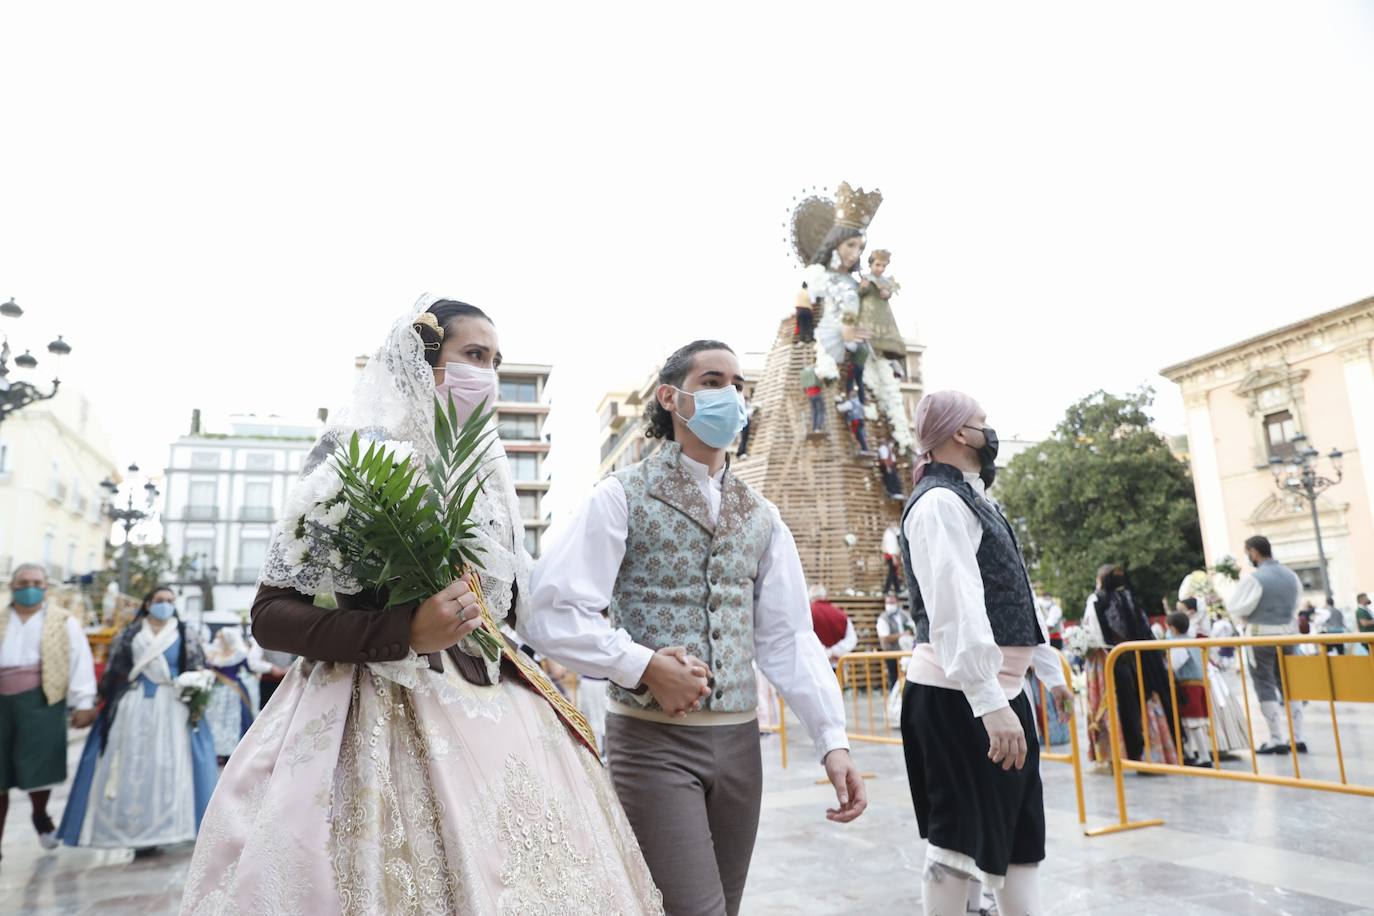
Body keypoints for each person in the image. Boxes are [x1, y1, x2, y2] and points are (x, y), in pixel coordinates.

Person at [178, 297, 662, 914]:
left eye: (496, 360)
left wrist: (627, 658)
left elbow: (514, 608)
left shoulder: (490, 475)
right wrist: (403, 629)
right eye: (474, 355)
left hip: (498, 708)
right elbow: (272, 613)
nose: (487, 373)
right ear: (425, 361)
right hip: (371, 710)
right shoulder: (350, 459)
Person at [525, 338, 866, 916]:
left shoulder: (763, 515)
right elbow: (551, 611)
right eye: (712, 381)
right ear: (671, 398)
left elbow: (786, 638)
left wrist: (832, 739)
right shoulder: (621, 496)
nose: (730, 395)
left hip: (740, 746)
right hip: (652, 744)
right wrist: (641, 664)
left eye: (738, 385)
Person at [898, 390, 1071, 916]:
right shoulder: (939, 503)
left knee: (1019, 833)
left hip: (997, 690)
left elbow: (1013, 593)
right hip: (959, 696)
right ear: (957, 433)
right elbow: (955, 607)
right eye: (982, 423)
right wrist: (989, 701)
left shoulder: (973, 498)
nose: (988, 433)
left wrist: (1049, 670)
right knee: (957, 839)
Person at [58, 586, 218, 852]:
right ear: (147, 604)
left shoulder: (183, 633)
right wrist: (98, 702)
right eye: (159, 600)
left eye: (169, 601)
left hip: (172, 706)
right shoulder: (130, 634)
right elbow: (115, 671)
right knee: (131, 763)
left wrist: (195, 690)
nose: (165, 605)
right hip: (132, 706)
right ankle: (130, 829)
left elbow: (197, 667)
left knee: (167, 762)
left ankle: (171, 826)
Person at [0, 564, 98, 858]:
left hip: (43, 701)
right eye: (23, 582)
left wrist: (84, 702)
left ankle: (40, 816)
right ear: (12, 586)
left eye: (36, 582)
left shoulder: (62, 621)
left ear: (46, 587)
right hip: (1, 703)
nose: (30, 587)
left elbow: (80, 660)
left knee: (40, 768)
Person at [1082, 565, 1179, 767]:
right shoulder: (1131, 599)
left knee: (1122, 706)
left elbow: (1096, 633)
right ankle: (1154, 752)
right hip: (1142, 661)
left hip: (1114, 659)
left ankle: (1125, 754)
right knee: (1145, 701)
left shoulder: (1098, 600)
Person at [1228, 535, 1307, 755]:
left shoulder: (1255, 579)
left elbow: (1237, 608)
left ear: (1254, 552)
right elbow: (1295, 606)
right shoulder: (1291, 576)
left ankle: (1276, 737)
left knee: (1264, 683)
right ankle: (1298, 737)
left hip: (1261, 635)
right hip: (1287, 635)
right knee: (1290, 685)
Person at [203, 625, 273, 761]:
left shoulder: (239, 654)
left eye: (220, 638)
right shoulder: (214, 654)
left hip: (234, 692)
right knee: (216, 719)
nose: (218, 640)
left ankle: (233, 750)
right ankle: (217, 750)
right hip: (217, 692)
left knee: (234, 719)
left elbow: (250, 668)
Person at [1166, 611, 1213, 767]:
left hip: (1188, 686)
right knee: (1189, 723)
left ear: (1173, 628)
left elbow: (1174, 665)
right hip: (1197, 684)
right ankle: (1190, 754)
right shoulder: (1191, 642)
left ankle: (1204, 756)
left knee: (1192, 723)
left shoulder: (1179, 644)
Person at [810, 584, 858, 666]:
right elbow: (851, 639)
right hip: (838, 664)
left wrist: (825, 653)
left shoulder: (808, 614)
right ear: (825, 596)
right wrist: (833, 652)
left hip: (815, 664)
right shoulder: (841, 614)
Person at [876, 594, 916, 688]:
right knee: (894, 681)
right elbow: (884, 638)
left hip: (907, 654)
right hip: (891, 654)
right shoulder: (883, 618)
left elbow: (913, 629)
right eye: (888, 602)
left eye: (892, 602)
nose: (890, 604)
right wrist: (902, 635)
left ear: (897, 602)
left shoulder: (904, 614)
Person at [1035, 584, 1064, 651]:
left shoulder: (1056, 608)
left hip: (1055, 639)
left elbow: (1050, 625)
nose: (1046, 601)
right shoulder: (1043, 608)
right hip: (1045, 639)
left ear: (1051, 598)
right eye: (1045, 599)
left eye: (1048, 599)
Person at [802, 363, 825, 434]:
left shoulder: (805, 373)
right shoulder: (815, 370)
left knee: (814, 411)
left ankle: (814, 427)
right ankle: (818, 428)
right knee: (820, 411)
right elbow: (821, 378)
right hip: (816, 393)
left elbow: (804, 387)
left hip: (810, 395)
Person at [882, 524, 903, 595]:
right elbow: (891, 546)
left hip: (890, 555)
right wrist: (893, 557)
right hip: (891, 555)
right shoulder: (890, 533)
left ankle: (897, 589)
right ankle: (886, 590)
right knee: (892, 573)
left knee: (894, 573)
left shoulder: (889, 532)